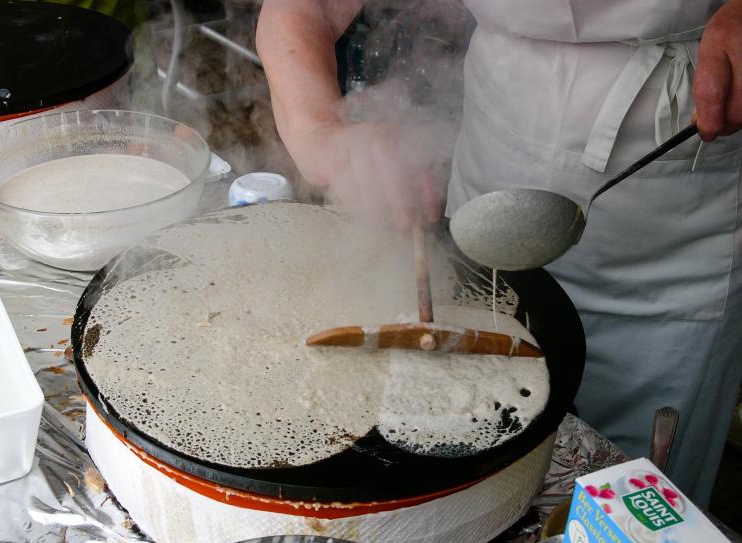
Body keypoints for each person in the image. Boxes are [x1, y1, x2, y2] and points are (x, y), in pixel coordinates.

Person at [256, 0, 742, 507]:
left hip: (675, 205)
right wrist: (322, 133)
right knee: (465, 469)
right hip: (496, 164)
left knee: (638, 513)